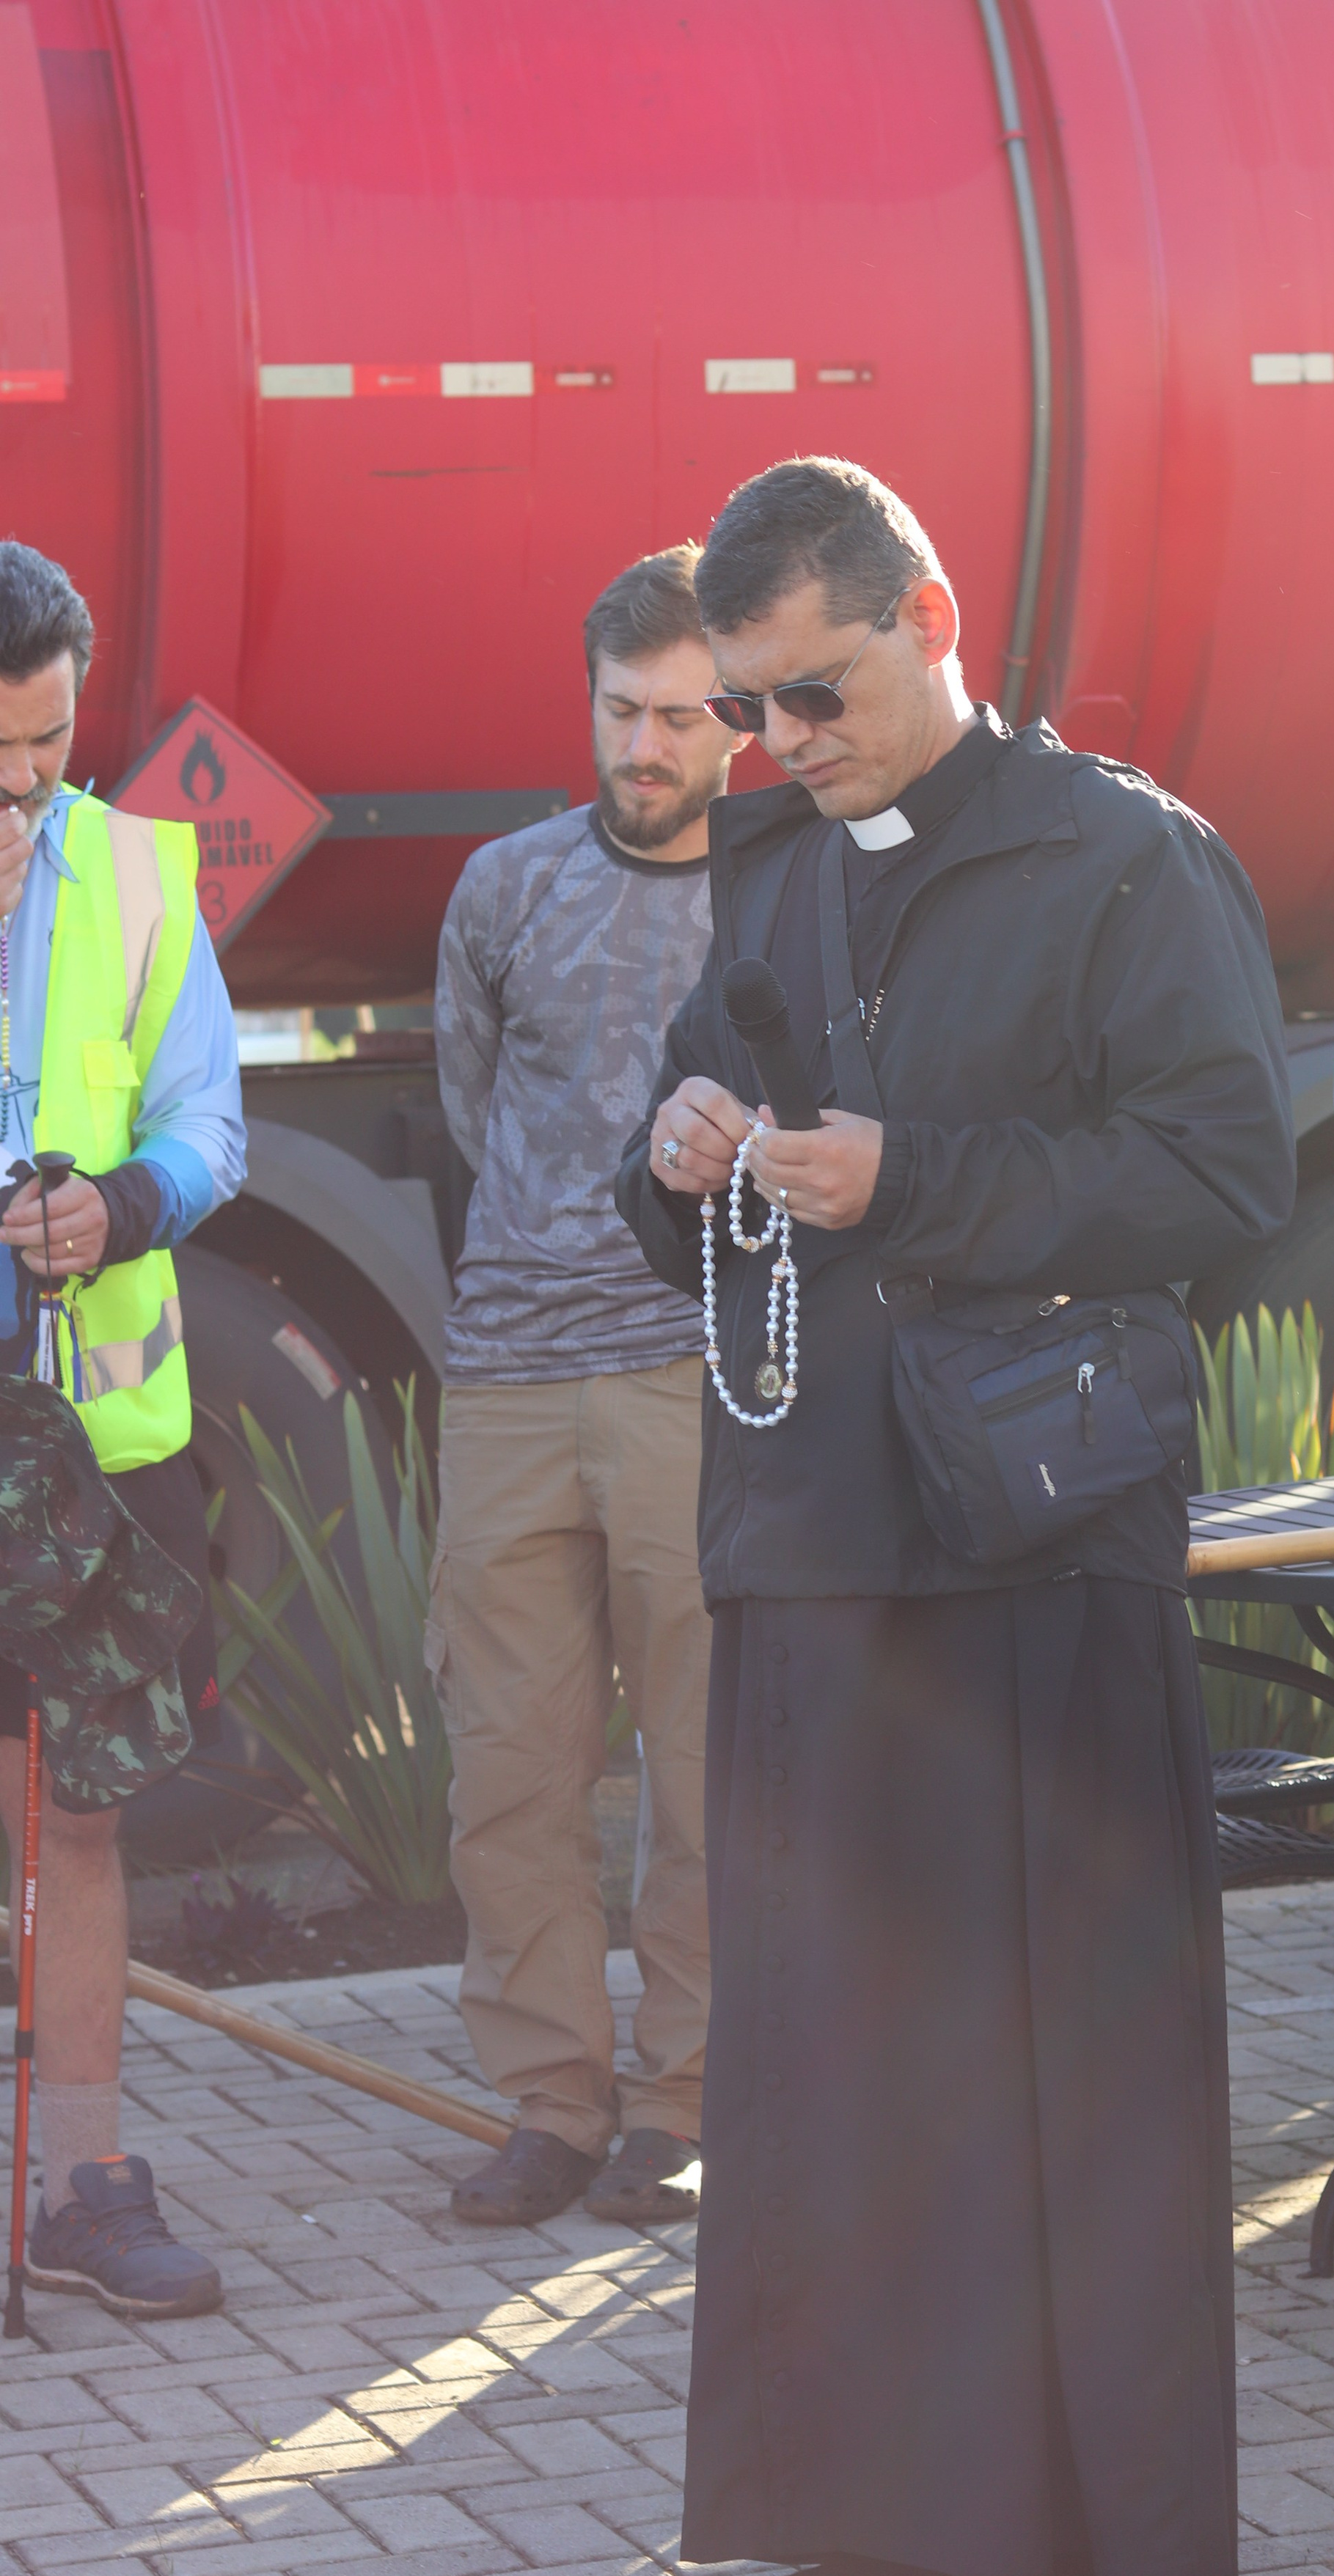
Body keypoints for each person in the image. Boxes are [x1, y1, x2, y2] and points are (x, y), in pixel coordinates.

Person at [617, 458, 1294, 2576]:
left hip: (1032, 1539)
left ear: (929, 614)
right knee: (848, 2060)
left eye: (814, 689)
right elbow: (722, 1121)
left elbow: (1215, 1171)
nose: (780, 742)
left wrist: (917, 1177)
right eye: (747, 709)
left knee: (1052, 2069)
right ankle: (881, 2512)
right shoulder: (779, 859)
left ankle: (1093, 2564)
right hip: (817, 1530)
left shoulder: (1128, 853)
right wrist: (685, 1148)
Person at [433, 546, 747, 2230]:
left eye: (682, 716)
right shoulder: (501, 887)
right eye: (623, 710)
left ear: (738, 722)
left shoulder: (784, 886)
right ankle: (550, 2104)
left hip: (694, 1373)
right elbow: (474, 1113)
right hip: (504, 1375)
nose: (647, 746)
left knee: (703, 1771)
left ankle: (684, 2103)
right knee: (512, 1766)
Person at [0, 541, 244, 2318]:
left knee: (74, 1815)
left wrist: (123, 1209)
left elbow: (211, 1130)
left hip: (88, 1447)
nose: (27, 786)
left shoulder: (144, 876)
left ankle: (80, 2186)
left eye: (52, 745)